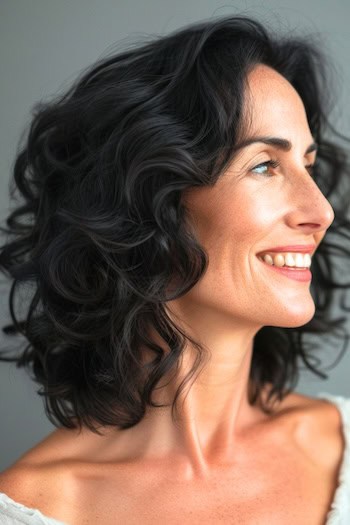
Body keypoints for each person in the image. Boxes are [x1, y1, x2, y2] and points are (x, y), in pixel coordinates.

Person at [0, 14, 349, 525]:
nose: (321, 211)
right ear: (151, 202)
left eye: (308, 165)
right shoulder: (35, 508)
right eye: (264, 165)